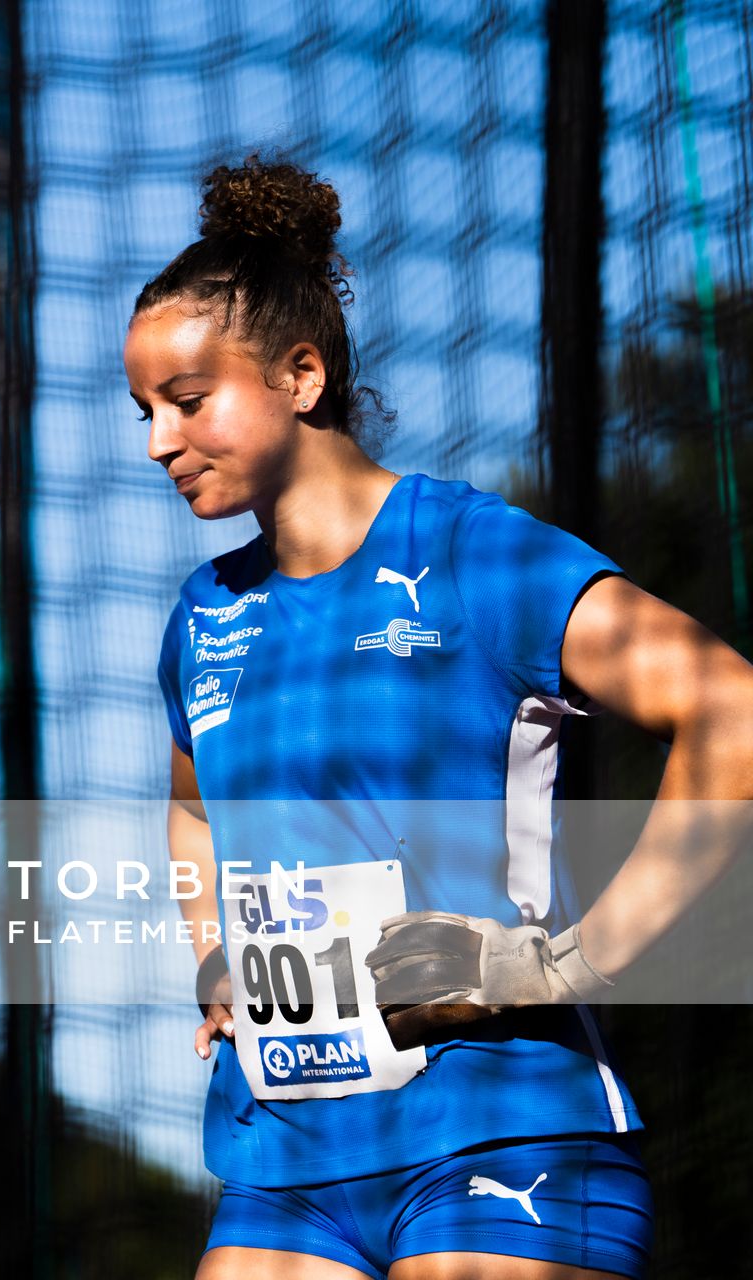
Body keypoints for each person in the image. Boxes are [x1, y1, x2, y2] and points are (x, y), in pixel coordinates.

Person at [132, 154, 753, 1279]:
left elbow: (733, 712)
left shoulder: (471, 552)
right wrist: (214, 949)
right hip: (282, 1165)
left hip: (501, 1135)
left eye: (186, 401)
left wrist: (562, 966)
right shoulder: (202, 616)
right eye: (143, 411)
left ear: (301, 375)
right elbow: (191, 812)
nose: (156, 442)